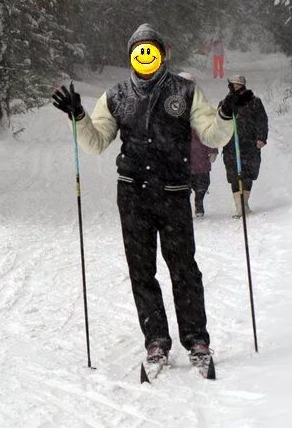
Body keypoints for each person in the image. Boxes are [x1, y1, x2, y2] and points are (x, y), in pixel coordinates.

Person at [51, 24, 243, 374]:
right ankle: (156, 341)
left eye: (151, 50)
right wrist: (78, 116)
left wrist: (227, 112)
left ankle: (196, 340)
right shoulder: (116, 96)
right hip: (133, 194)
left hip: (172, 193)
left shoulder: (185, 92)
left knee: (184, 269)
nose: (145, 57)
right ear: (131, 57)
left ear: (162, 54)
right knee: (142, 271)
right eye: (138, 51)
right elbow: (95, 143)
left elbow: (213, 135)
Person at [221, 74, 269, 216]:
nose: (235, 87)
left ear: (243, 85)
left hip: (250, 144)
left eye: (238, 85)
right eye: (233, 84)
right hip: (231, 145)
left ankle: (245, 202)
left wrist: (261, 138)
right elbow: (219, 123)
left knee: (248, 174)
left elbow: (262, 121)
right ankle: (238, 206)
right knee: (234, 175)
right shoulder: (225, 102)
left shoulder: (255, 102)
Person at [177, 72, 217, 218]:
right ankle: (184, 207)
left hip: (199, 150)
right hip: (180, 153)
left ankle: (199, 203)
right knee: (182, 186)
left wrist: (212, 148)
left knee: (202, 184)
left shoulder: (201, 103)